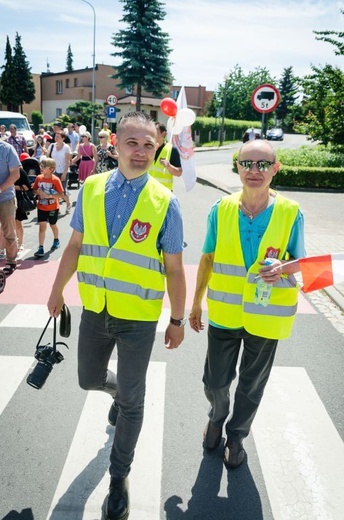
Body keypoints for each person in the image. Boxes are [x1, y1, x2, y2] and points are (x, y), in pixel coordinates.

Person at [47, 112, 186, 520]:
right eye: (132, 143)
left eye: (148, 144)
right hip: (95, 309)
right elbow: (74, 246)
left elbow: (175, 268)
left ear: (157, 147)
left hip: (138, 319)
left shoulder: (165, 202)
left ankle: (118, 478)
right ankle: (117, 395)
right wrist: (57, 290)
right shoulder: (90, 188)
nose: (140, 152)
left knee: (134, 399)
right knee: (88, 379)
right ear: (115, 145)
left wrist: (176, 320)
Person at [189, 139, 306, 470]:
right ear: (237, 166)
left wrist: (285, 268)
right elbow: (208, 258)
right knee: (214, 382)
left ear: (275, 168)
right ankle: (217, 416)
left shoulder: (290, 212)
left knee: (252, 384)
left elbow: (302, 261)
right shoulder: (220, 209)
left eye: (263, 164)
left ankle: (236, 436)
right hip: (224, 314)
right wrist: (196, 303)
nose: (254, 171)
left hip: (267, 318)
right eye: (247, 163)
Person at [32, 158, 65, 258]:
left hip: (52, 207)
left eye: (43, 167)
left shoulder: (55, 180)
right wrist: (36, 192)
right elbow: (34, 190)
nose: (41, 168)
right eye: (40, 166)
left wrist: (49, 196)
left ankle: (56, 239)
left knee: (53, 224)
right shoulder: (39, 178)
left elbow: (61, 195)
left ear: (51, 169)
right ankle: (40, 247)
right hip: (41, 207)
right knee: (42, 227)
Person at [0, 140, 21, 276]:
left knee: (8, 231)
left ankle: (11, 261)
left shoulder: (7, 149)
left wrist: (1, 188)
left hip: (5, 198)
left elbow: (15, 174)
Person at [148, 122, 182, 190]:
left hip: (165, 193)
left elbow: (179, 173)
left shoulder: (172, 150)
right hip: (149, 192)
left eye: (155, 131)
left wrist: (169, 166)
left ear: (163, 134)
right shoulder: (148, 148)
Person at [47, 131, 72, 213]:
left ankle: (68, 203)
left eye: (58, 136)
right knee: (54, 190)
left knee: (62, 191)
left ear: (63, 138)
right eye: (55, 136)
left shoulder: (66, 147)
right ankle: (56, 207)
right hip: (54, 171)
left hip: (63, 170)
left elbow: (68, 162)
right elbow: (48, 157)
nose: (56, 138)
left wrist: (64, 174)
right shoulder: (52, 146)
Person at [14, 164, 34, 251]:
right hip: (4, 198)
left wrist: (11, 187)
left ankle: (20, 243)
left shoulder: (19, 171)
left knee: (18, 221)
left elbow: (27, 187)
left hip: (18, 199)